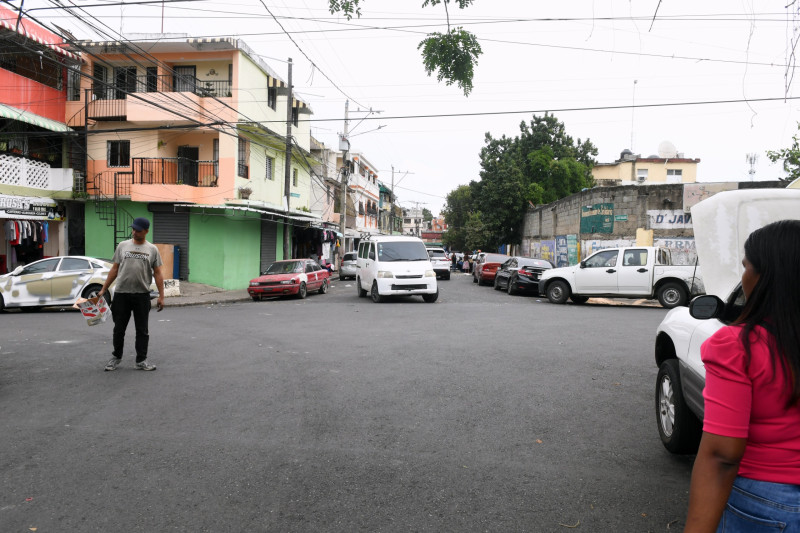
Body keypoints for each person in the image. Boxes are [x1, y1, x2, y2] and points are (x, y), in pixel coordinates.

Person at [684, 219, 800, 532]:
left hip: (768, 503)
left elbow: (721, 456)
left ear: (766, 277)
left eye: (746, 266)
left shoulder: (738, 346)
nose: (743, 276)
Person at [98, 217, 165, 372]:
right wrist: (104, 289)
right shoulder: (122, 246)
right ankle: (116, 357)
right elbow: (114, 269)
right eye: (133, 229)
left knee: (142, 330)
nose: (134, 232)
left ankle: (141, 360)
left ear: (146, 231)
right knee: (118, 329)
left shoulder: (152, 249)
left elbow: (158, 273)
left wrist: (161, 296)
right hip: (121, 294)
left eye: (138, 230)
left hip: (142, 295)